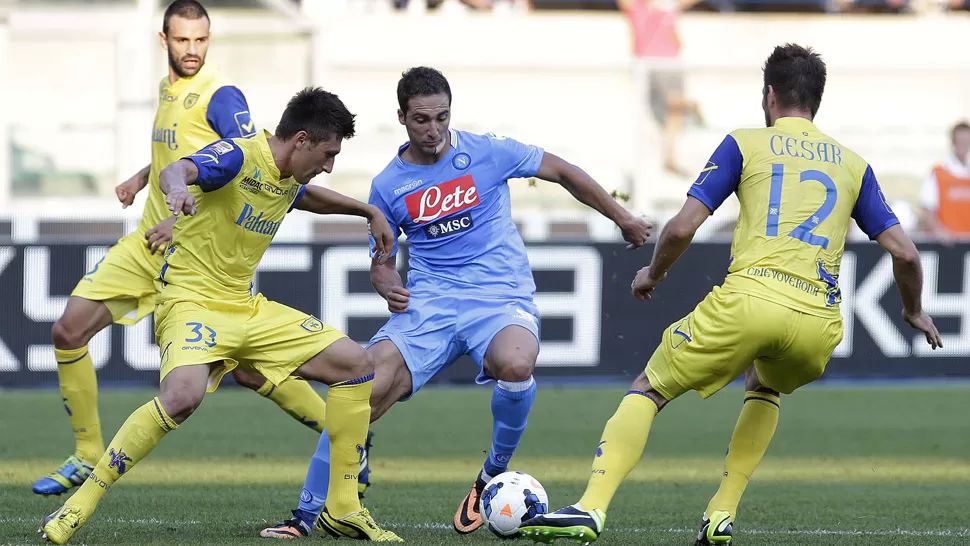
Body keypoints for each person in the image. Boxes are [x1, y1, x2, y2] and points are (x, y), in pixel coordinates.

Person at [519, 43, 943, 545]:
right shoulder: (853, 165)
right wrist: (913, 310)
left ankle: (591, 507)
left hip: (752, 299)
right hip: (819, 321)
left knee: (649, 388)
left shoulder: (746, 144)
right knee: (764, 384)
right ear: (817, 100)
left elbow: (681, 229)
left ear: (769, 95)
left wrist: (652, 275)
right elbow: (908, 255)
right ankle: (721, 514)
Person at [258, 66, 652, 540]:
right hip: (430, 305)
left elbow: (564, 172)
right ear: (402, 116)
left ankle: (490, 477)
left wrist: (622, 218)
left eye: (442, 117)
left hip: (498, 295)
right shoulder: (388, 185)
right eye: (422, 119)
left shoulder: (488, 152)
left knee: (517, 361)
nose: (434, 129)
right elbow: (381, 259)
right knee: (360, 390)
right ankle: (305, 515)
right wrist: (384, 281)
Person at [40, 88, 403, 544]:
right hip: (189, 299)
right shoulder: (237, 156)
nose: (329, 164)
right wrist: (176, 190)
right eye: (328, 154)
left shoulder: (287, 173)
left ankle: (344, 507)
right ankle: (81, 503)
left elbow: (304, 196)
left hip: (244, 305)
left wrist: (366, 210)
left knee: (357, 365)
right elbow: (179, 169)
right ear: (303, 140)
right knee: (182, 398)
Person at [33, 0, 349, 498]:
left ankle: (344, 434)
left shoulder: (221, 95)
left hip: (189, 249)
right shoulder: (168, 88)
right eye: (183, 40)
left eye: (201, 40)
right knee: (68, 330)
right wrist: (144, 176)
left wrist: (183, 214)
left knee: (245, 367)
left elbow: (250, 167)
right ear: (164, 41)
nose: (192, 50)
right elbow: (179, 150)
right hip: (147, 242)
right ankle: (86, 454)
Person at [919, 121, 970, 241]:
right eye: (961, 141)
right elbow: (927, 212)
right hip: (946, 247)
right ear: (953, 142)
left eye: (967, 141)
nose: (964, 145)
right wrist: (939, 231)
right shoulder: (937, 173)